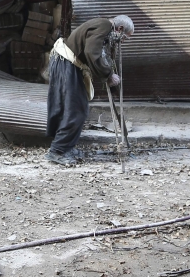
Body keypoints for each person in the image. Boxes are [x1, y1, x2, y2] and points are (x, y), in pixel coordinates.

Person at [44, 15, 134, 165]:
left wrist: (108, 72)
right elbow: (92, 52)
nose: (122, 41)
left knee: (75, 108)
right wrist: (108, 75)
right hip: (66, 63)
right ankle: (58, 151)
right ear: (120, 29)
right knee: (76, 109)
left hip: (67, 64)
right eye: (124, 38)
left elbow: (96, 53)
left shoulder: (103, 28)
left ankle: (66, 148)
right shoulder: (105, 26)